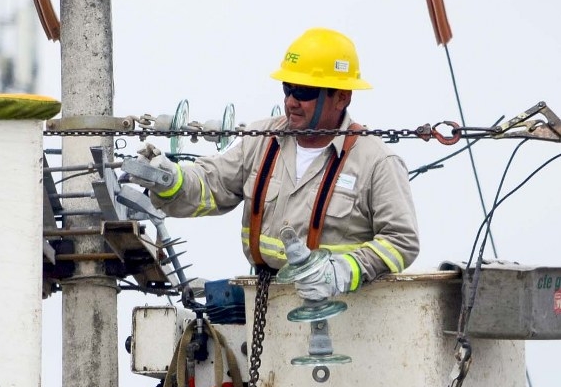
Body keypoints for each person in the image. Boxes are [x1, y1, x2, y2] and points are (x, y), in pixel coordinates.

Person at [129, 27, 418, 300]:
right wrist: (169, 179)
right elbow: (211, 183)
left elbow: (401, 241)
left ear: (341, 97)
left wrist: (343, 271)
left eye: (304, 91)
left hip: (343, 311)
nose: (291, 101)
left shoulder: (376, 162)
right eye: (287, 88)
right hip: (268, 301)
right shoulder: (263, 141)